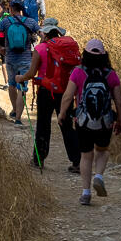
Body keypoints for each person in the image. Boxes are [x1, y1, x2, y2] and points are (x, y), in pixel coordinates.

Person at [59, 38, 121, 206]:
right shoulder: (111, 74)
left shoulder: (78, 72)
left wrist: (62, 113)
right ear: (104, 55)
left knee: (86, 156)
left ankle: (86, 193)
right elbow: (119, 102)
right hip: (105, 122)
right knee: (102, 151)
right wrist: (120, 121)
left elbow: (68, 96)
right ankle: (99, 176)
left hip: (83, 122)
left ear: (85, 54)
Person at [31, 20, 81, 172]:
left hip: (46, 91)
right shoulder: (66, 49)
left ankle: (39, 160)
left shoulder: (40, 48)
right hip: (65, 91)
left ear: (45, 34)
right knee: (66, 125)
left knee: (43, 126)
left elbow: (32, 73)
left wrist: (20, 79)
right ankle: (76, 161)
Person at [0, 0, 38, 125]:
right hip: (26, 59)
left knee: (11, 85)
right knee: (22, 88)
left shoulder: (6, 22)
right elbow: (43, 35)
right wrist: (37, 51)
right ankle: (18, 119)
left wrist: (0, 48)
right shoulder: (30, 22)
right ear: (22, 9)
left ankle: (13, 109)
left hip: (10, 58)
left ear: (11, 9)